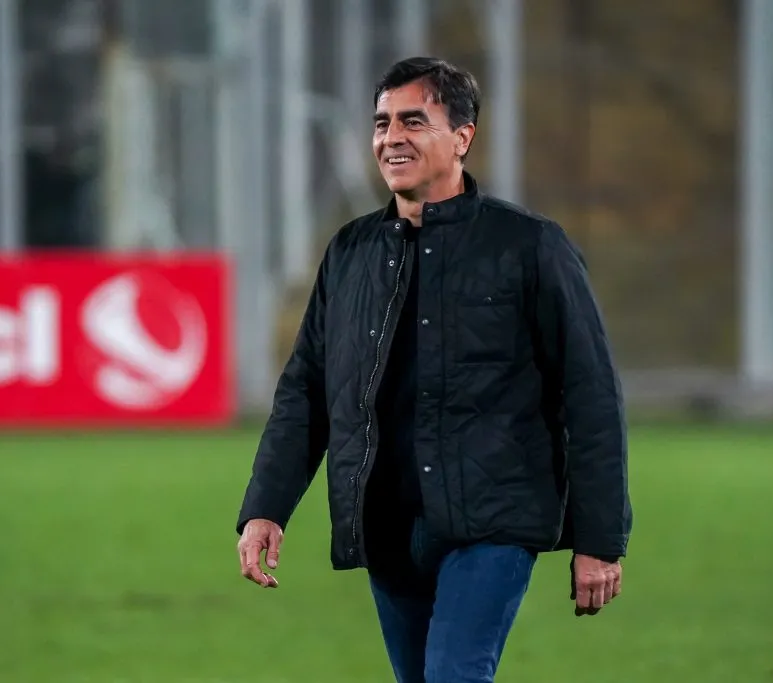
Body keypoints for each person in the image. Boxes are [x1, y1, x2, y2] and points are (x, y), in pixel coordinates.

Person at [237, 56, 632, 683]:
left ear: (463, 137)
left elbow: (590, 396)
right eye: (382, 123)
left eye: (413, 121)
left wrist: (600, 538)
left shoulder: (529, 246)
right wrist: (266, 507)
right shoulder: (350, 252)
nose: (392, 137)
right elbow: (307, 392)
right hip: (388, 524)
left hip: (492, 520)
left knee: (455, 674)